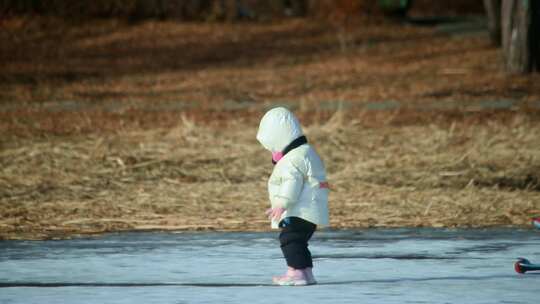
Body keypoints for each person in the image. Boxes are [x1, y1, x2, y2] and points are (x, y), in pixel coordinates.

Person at [256, 107, 330, 286]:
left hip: (299, 210)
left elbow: (292, 182)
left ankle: (295, 273)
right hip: (310, 208)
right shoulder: (305, 152)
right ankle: (306, 272)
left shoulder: (293, 158)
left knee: (289, 239)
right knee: (299, 241)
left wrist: (282, 203)